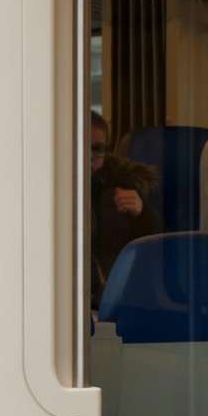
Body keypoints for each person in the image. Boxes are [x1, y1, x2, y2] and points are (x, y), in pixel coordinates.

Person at [89, 110, 162, 302]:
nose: (89, 156)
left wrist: (142, 213)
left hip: (114, 292)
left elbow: (155, 248)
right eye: (80, 146)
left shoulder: (122, 185)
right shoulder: (49, 191)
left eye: (97, 149)